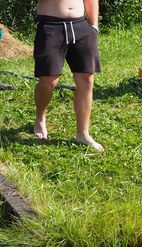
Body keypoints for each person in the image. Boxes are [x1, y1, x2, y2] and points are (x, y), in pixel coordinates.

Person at [33, 0, 103, 151]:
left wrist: (94, 26)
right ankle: (40, 117)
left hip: (81, 26)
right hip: (51, 25)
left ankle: (82, 133)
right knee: (49, 80)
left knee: (87, 80)